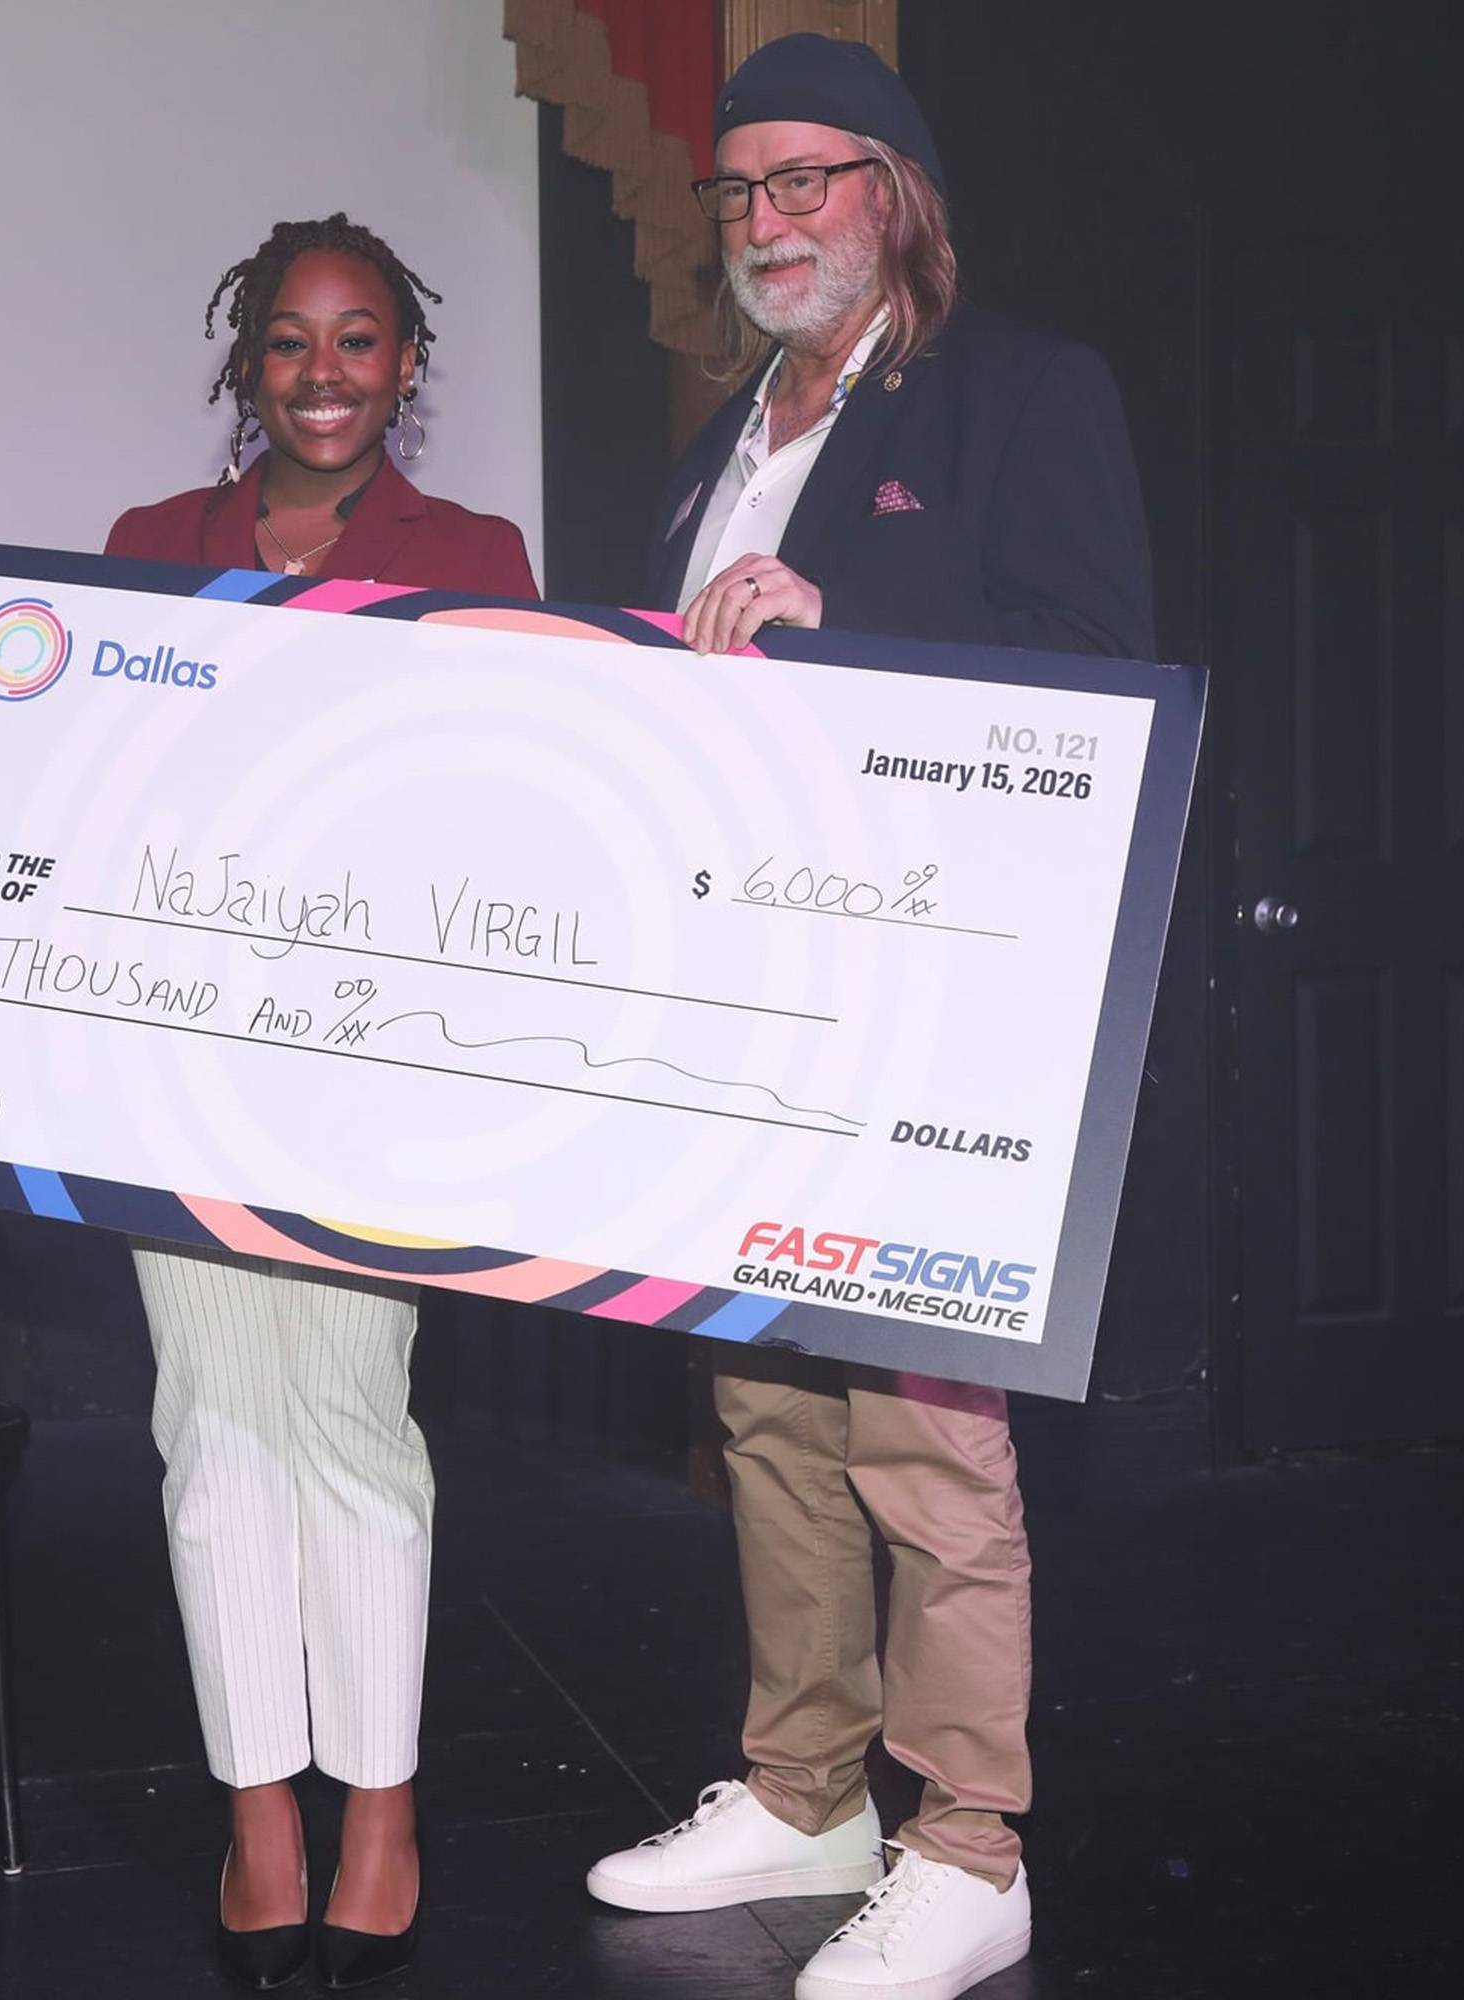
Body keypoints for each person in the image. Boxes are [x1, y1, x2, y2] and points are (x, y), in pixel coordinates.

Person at [0, 213, 537, 1993]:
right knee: (216, 1433)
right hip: (178, 1065)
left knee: (354, 1420)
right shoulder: (152, 549)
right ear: (247, 364)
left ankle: (380, 1810)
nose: (322, 373)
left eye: (358, 340)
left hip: (378, 1064)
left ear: (408, 368)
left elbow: (526, 799)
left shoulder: (478, 554)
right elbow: (68, 775)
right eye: (289, 341)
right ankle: (260, 1814)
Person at [586, 37, 1152, 2000]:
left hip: (935, 998)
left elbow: (1099, 676)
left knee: (924, 1428)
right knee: (761, 1406)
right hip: (746, 995)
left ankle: (968, 1839)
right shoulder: (710, 444)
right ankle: (803, 1786)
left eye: (804, 181)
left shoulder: (1021, 394)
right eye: (738, 193)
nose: (765, 222)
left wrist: (852, 638)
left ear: (895, 191)